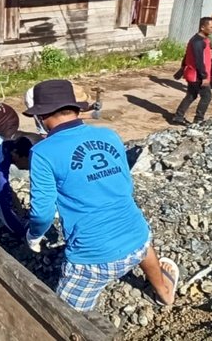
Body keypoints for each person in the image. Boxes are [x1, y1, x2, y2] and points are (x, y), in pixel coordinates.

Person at [23, 79, 178, 311]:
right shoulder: (109, 135)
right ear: (76, 109)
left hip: (92, 259)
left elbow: (43, 213)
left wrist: (33, 236)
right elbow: (125, 184)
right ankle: (164, 292)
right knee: (140, 242)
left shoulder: (42, 152)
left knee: (63, 319)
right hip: (139, 237)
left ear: (42, 116)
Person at [172, 17, 212, 126]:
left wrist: (182, 68)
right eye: (211, 27)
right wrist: (204, 77)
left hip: (193, 74)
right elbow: (198, 61)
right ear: (202, 27)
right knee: (206, 96)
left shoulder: (199, 40)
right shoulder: (198, 42)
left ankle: (178, 117)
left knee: (191, 95)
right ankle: (198, 119)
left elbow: (187, 55)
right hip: (197, 75)